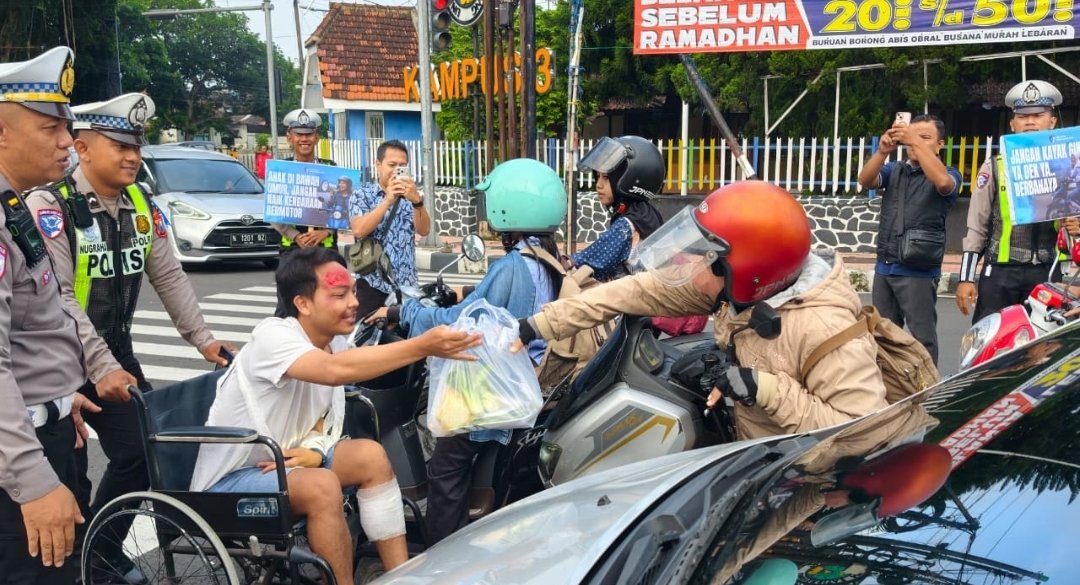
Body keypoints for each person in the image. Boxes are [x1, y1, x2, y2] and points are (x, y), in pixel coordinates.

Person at [23, 93, 235, 580]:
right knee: (68, 476)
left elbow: (170, 276)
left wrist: (204, 340)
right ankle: (74, 560)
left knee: (144, 450)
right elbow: (60, 299)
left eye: (136, 146)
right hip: (60, 359)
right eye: (119, 145)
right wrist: (98, 367)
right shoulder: (50, 206)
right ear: (83, 147)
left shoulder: (142, 204)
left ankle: (101, 545)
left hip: (116, 353)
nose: (132, 156)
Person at [190, 247, 481, 585]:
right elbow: (332, 372)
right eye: (339, 295)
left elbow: (323, 413)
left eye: (353, 292)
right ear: (302, 303)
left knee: (369, 456)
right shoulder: (273, 336)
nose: (354, 303)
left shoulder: (334, 341)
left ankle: (401, 577)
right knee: (323, 485)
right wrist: (423, 345)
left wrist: (315, 450)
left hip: (284, 462)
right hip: (233, 480)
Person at [516, 181, 890, 440]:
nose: (693, 269)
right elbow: (636, 289)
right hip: (750, 448)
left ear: (747, 273)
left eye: (708, 259)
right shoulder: (737, 290)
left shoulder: (825, 327)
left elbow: (866, 431)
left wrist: (767, 389)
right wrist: (539, 325)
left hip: (801, 487)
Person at [365, 158, 564, 544]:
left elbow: (457, 324)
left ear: (508, 208)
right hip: (524, 377)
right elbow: (492, 305)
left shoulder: (511, 265)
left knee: (445, 468)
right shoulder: (545, 258)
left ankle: (443, 555)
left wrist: (401, 311)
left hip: (491, 388)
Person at [0, 46, 98, 584]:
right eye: (50, 128)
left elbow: (33, 325)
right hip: (18, 460)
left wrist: (61, 393)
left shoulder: (16, 205)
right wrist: (34, 483)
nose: (67, 143)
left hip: (48, 429)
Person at [957, 80, 1080, 322]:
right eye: (1023, 117)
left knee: (1043, 347)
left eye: (1038, 115)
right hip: (999, 273)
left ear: (1052, 121)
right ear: (1013, 124)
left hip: (1047, 271)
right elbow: (976, 225)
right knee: (990, 343)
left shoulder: (1071, 167)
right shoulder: (995, 165)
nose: (1031, 122)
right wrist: (966, 277)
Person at [856, 114, 960, 365]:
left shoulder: (948, 173)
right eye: (912, 137)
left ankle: (926, 393)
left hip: (919, 269)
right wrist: (882, 152)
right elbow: (865, 180)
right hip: (885, 265)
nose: (916, 143)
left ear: (940, 144)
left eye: (926, 138)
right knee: (882, 336)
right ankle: (891, 388)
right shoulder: (896, 170)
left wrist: (916, 141)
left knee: (922, 338)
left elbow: (944, 184)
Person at [349, 140, 430, 317]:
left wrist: (417, 202)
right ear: (378, 165)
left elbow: (424, 231)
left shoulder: (412, 195)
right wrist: (387, 200)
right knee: (370, 339)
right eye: (392, 165)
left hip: (407, 286)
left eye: (402, 166)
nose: (396, 170)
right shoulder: (362, 194)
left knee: (407, 339)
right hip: (373, 284)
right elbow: (359, 230)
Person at [568, 136, 664, 281]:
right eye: (598, 176)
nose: (598, 185)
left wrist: (567, 262)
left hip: (631, 300)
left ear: (630, 179)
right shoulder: (645, 214)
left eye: (606, 177)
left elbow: (592, 259)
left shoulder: (627, 225)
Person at [271, 108, 338, 257]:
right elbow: (274, 211)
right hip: (292, 249)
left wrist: (326, 232)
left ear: (317, 138)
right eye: (299, 134)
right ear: (289, 137)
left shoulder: (331, 168)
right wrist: (295, 235)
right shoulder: (280, 170)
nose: (304, 139)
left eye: (308, 134)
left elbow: (341, 208)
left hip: (326, 248)